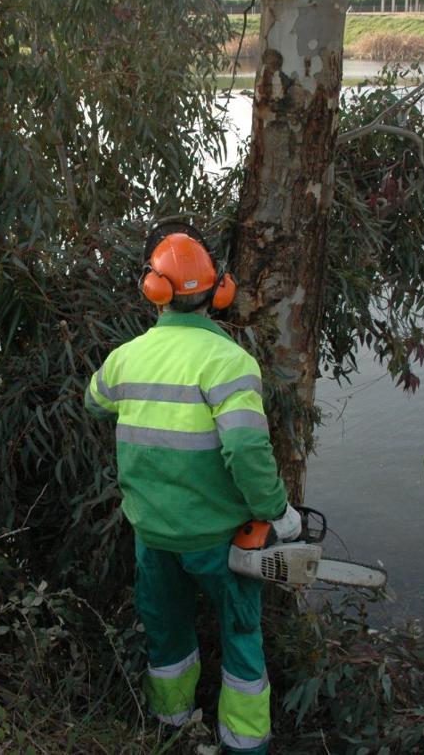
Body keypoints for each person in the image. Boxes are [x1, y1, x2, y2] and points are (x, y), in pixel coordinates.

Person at [84, 222, 301, 754]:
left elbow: (95, 400)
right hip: (218, 539)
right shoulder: (228, 362)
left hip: (152, 533)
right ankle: (244, 745)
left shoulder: (125, 358)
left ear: (153, 291)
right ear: (218, 291)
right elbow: (247, 453)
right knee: (241, 639)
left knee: (168, 634)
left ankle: (172, 726)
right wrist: (278, 512)